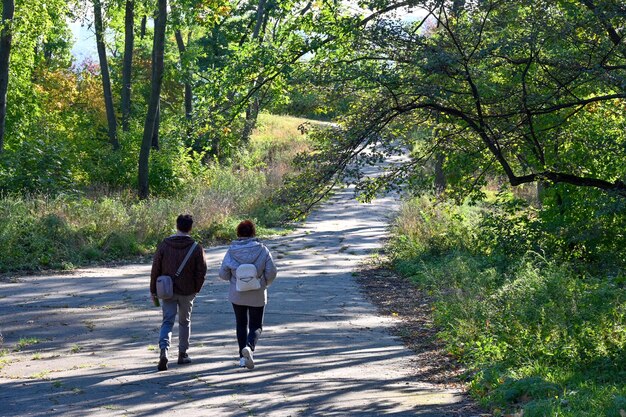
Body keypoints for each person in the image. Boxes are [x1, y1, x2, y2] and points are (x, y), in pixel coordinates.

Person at [150, 214, 207, 372]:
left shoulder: (164, 245)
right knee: (184, 322)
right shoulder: (196, 247)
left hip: (167, 290)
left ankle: (164, 350)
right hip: (187, 291)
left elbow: (155, 269)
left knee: (167, 321)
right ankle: (182, 354)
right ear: (190, 227)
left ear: (177, 226)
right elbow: (201, 271)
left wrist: (153, 290)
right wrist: (196, 288)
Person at [219, 220, 277, 369]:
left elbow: (223, 274)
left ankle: (242, 359)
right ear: (253, 233)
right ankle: (249, 348)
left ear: (238, 233)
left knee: (241, 324)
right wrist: (264, 283)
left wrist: (235, 278)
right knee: (256, 326)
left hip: (237, 294)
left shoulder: (231, 251)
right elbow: (271, 272)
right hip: (257, 293)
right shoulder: (263, 250)